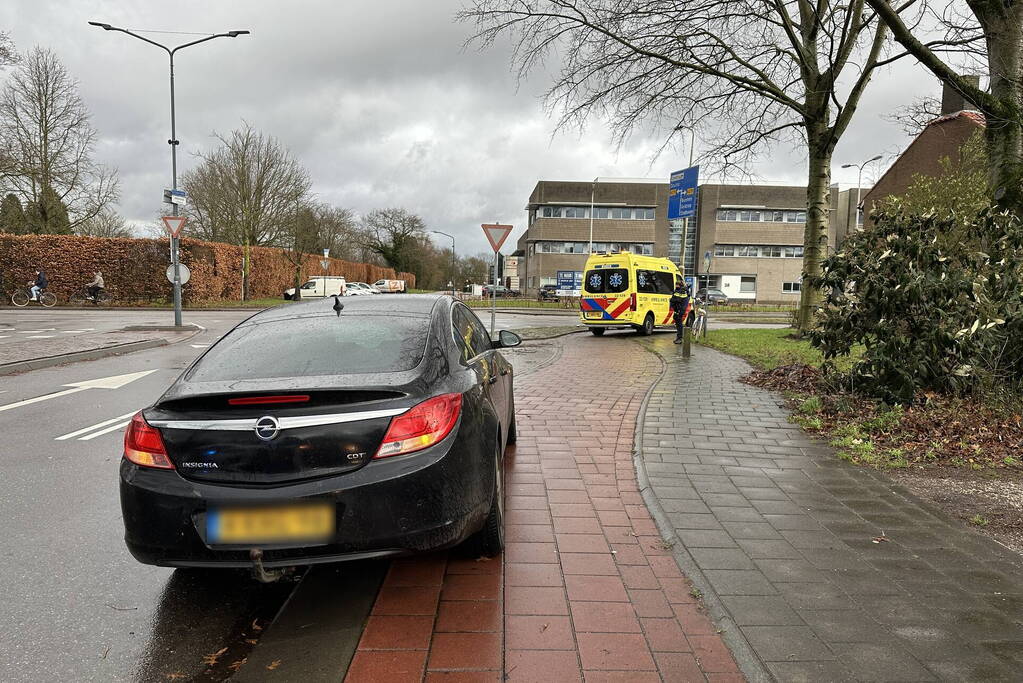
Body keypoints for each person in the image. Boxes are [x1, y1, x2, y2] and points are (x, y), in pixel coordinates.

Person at [669, 278, 692, 344]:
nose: (676, 286)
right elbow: (673, 299)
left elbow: (683, 303)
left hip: (679, 310)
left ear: (680, 285)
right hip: (677, 310)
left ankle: (680, 338)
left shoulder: (683, 291)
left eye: (677, 285)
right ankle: (679, 338)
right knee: (678, 324)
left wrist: (681, 312)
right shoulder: (677, 291)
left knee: (679, 324)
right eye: (676, 285)